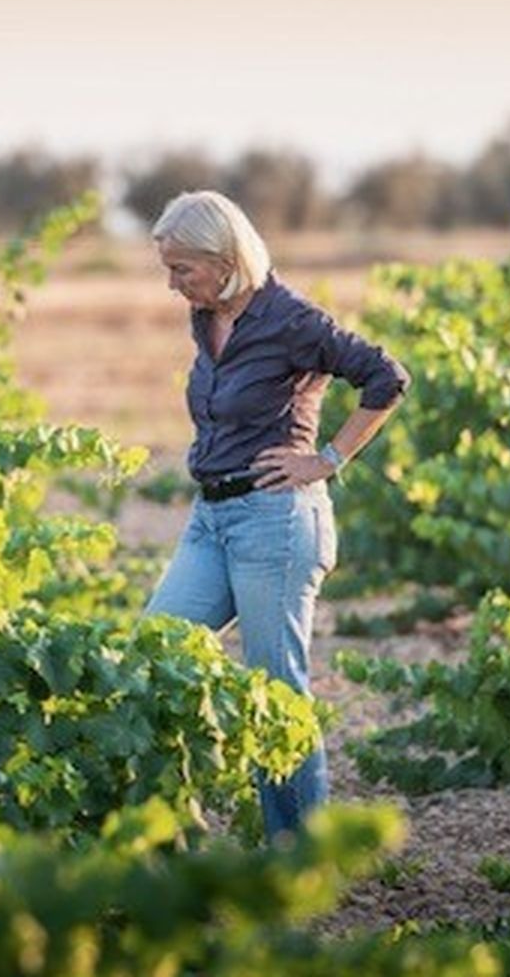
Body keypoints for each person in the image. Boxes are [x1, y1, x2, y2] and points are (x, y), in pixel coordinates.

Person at [144, 191, 409, 841]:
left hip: (275, 524)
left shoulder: (290, 320)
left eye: (183, 270)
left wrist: (328, 458)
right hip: (211, 519)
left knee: (276, 691)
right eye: (169, 269)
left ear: (224, 257)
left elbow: (385, 377)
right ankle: (174, 832)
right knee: (156, 655)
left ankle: (301, 857)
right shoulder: (205, 319)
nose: (173, 284)